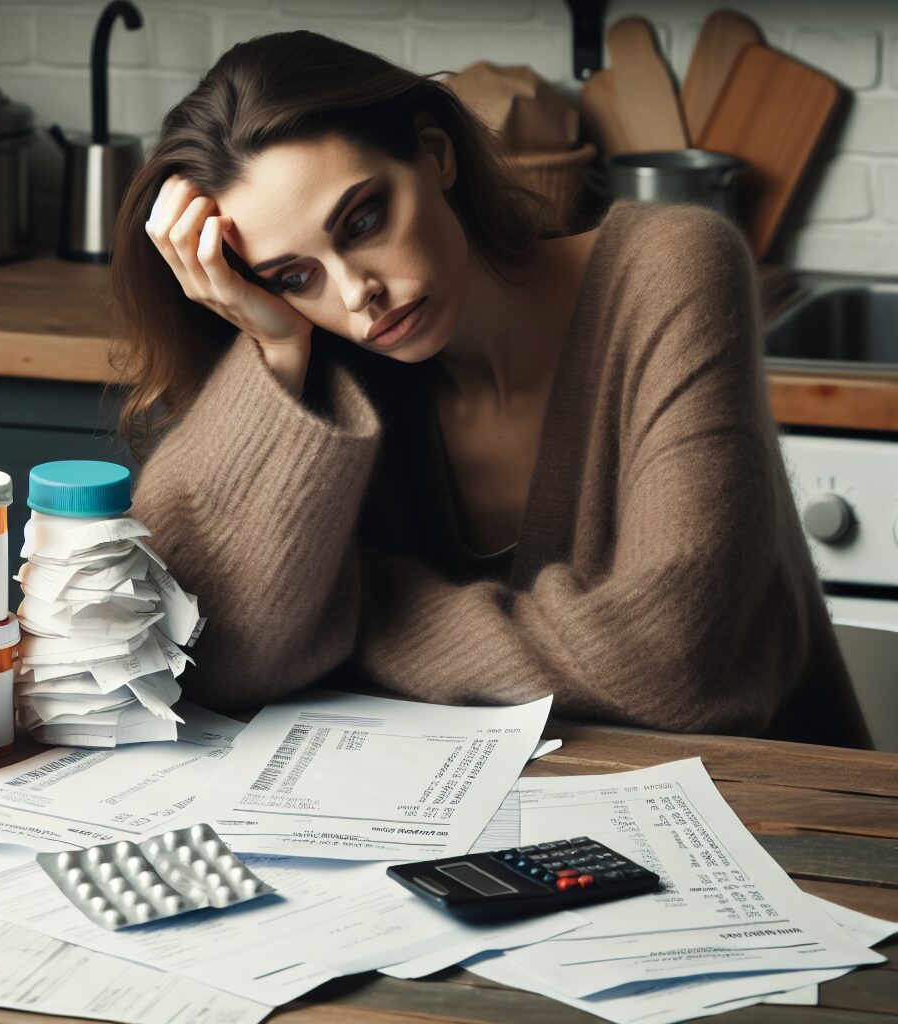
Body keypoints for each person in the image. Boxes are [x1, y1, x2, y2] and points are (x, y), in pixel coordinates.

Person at [110, 31, 868, 747]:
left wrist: (354, 615)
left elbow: (676, 665)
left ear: (435, 153)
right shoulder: (325, 366)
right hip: (474, 829)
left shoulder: (672, 271)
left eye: (364, 219)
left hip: (772, 822)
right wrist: (273, 346)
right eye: (293, 277)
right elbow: (208, 652)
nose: (357, 294)